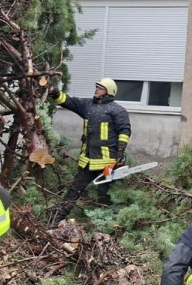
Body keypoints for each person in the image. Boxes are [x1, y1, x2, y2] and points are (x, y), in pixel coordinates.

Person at [48, 77, 131, 222]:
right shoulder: (88, 105)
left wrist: (120, 151)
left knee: (104, 194)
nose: (96, 89)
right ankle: (55, 218)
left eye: (100, 88)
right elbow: (69, 101)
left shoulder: (118, 111)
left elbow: (125, 131)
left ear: (108, 92)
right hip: (88, 161)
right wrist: (55, 93)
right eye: (96, 87)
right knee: (74, 190)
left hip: (107, 162)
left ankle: (105, 223)